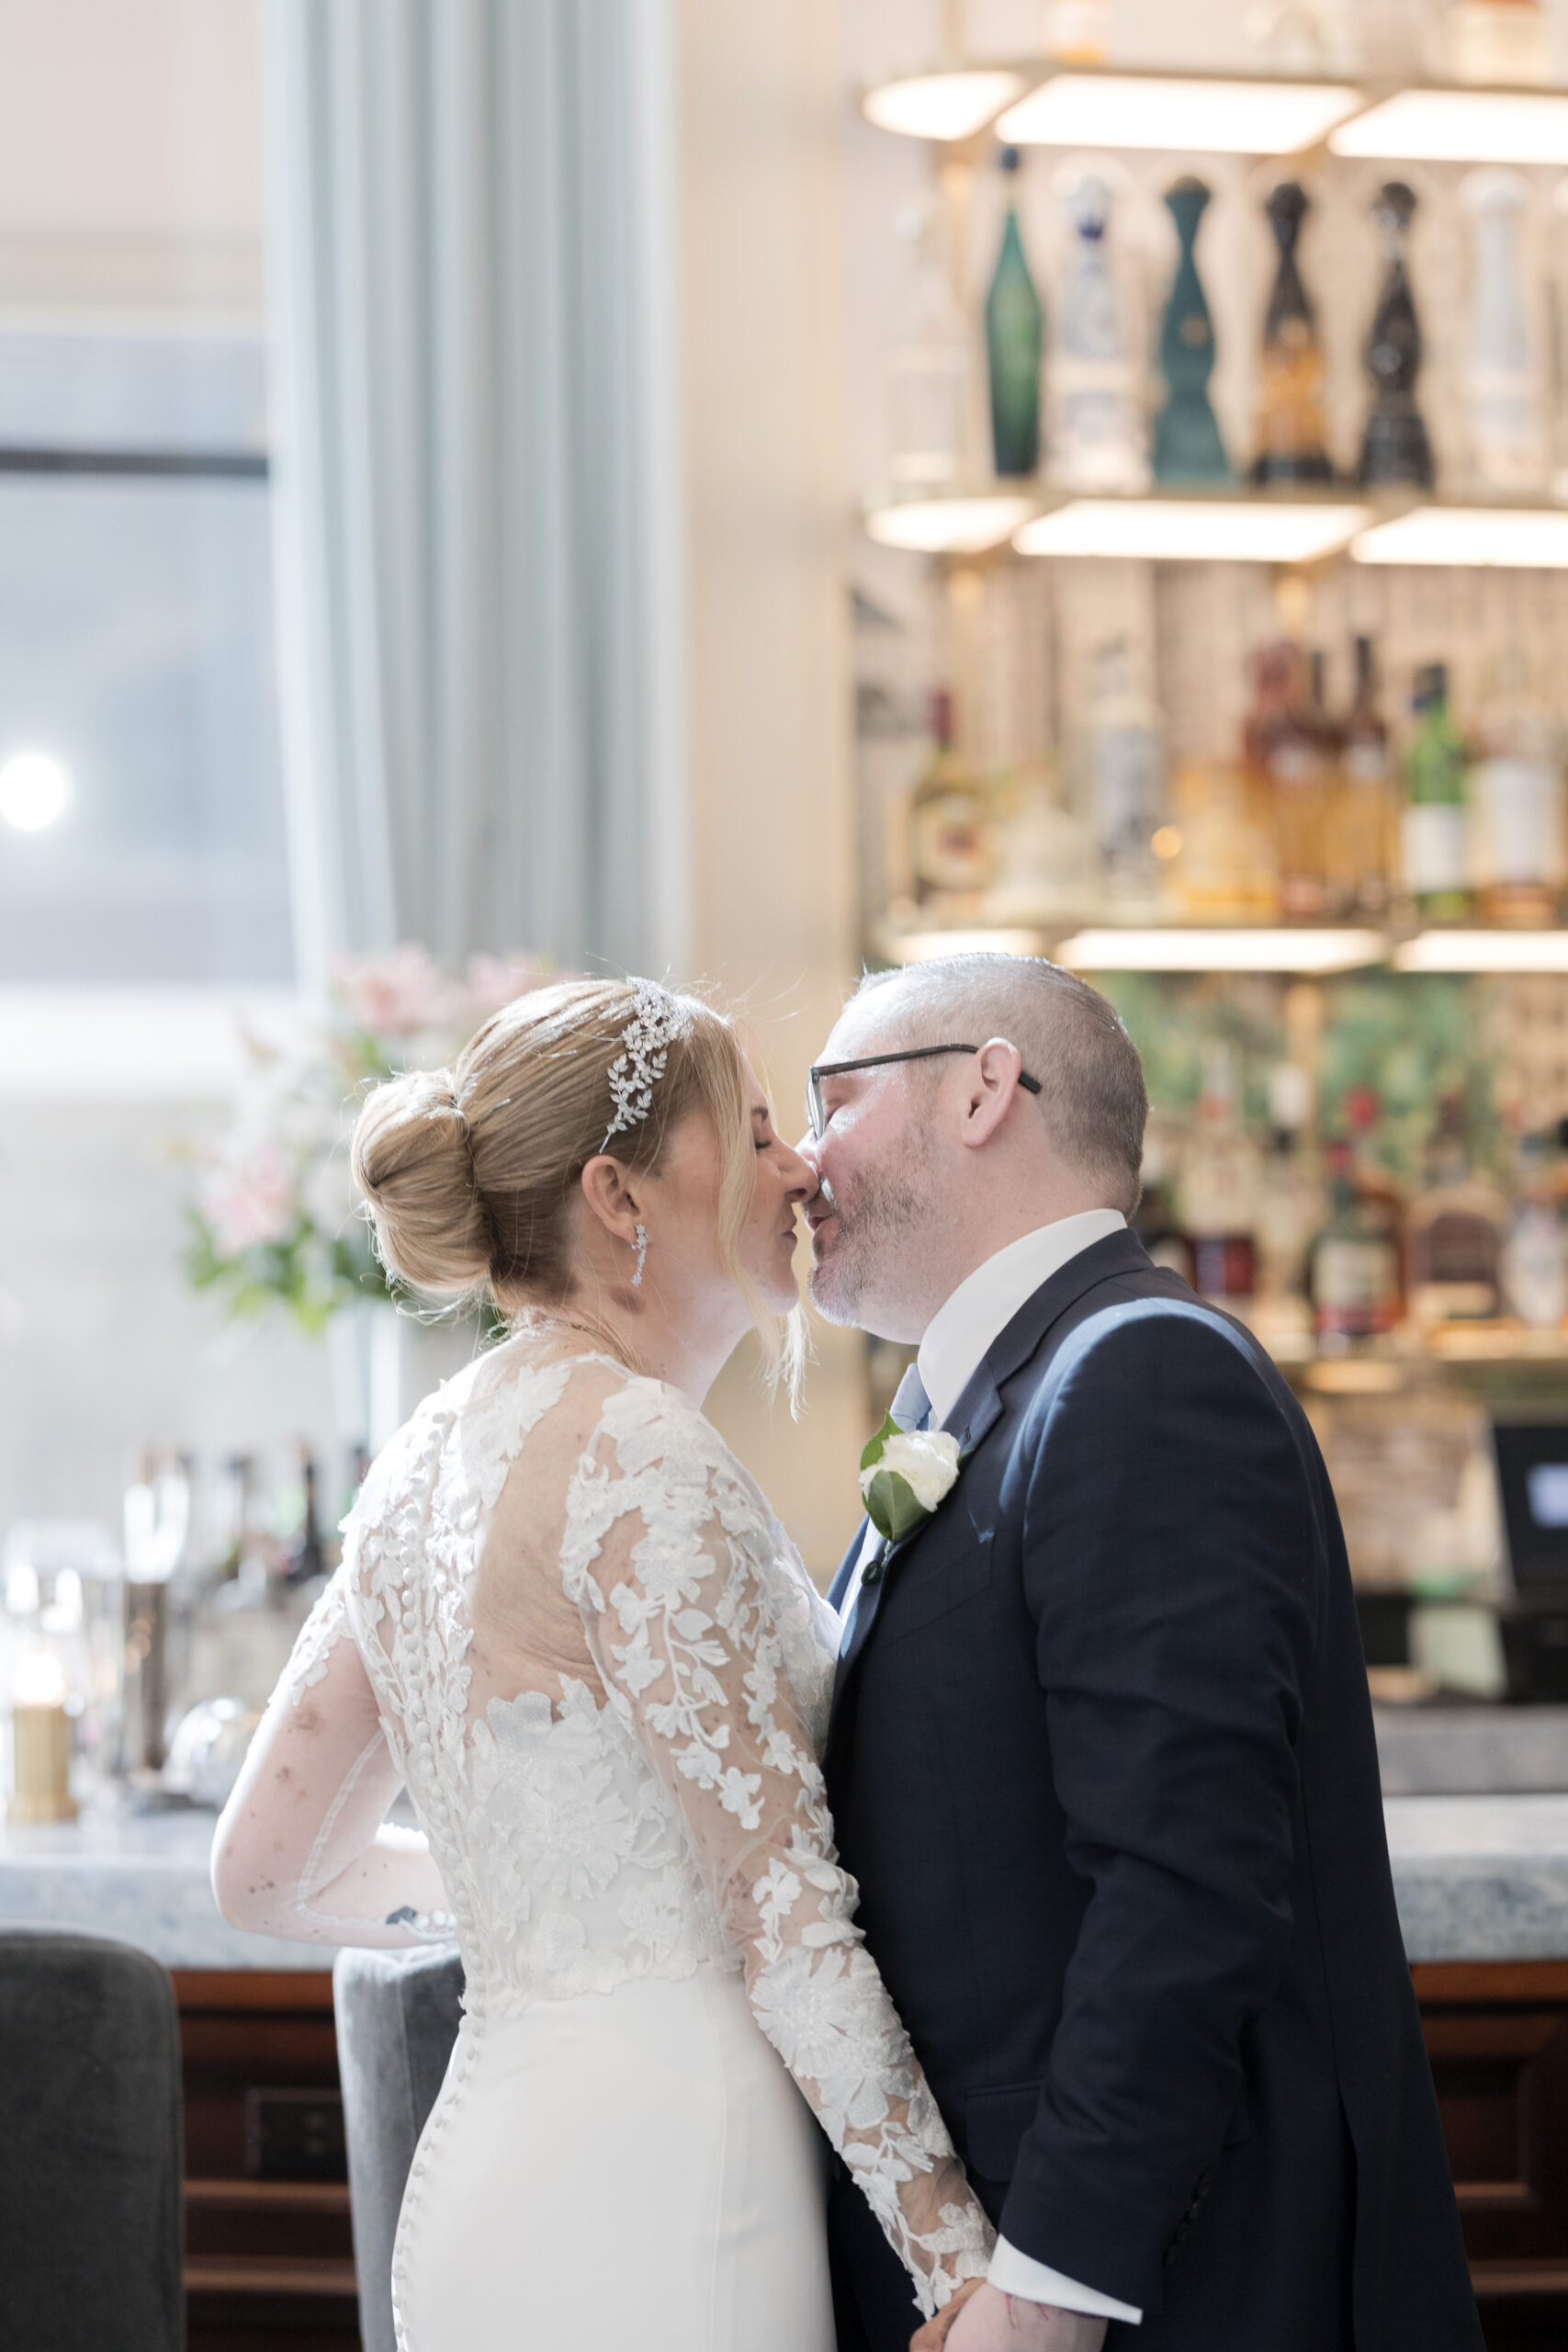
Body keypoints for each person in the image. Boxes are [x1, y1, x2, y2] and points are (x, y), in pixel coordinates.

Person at [211, 976, 993, 2352]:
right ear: (621, 1197)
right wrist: (963, 2274)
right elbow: (786, 1925)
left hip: (486, 2181)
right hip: (670, 2189)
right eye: (754, 1134)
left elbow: (267, 1873)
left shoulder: (417, 1463)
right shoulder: (637, 1452)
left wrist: (548, 1899)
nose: (799, 1162)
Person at [802, 952, 1483, 2352]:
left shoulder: (1138, 1376)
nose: (805, 1161)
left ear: (986, 1087)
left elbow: (1185, 1890)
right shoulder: (1005, 1395)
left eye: (835, 1100)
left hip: (1177, 2287)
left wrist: (1047, 2296)